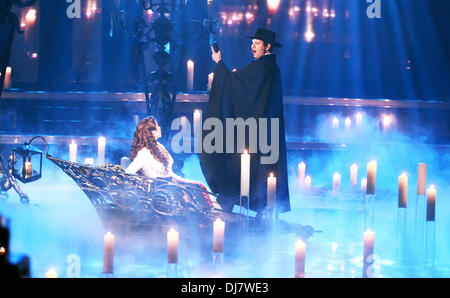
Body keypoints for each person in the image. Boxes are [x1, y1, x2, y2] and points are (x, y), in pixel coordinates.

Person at [199, 28, 290, 215]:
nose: (253, 47)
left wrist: (219, 64)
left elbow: (235, 83)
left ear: (268, 46)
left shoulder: (263, 66)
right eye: (252, 43)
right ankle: (260, 209)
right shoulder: (269, 66)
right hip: (262, 129)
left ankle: (237, 205)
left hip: (256, 130)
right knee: (255, 167)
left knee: (241, 163)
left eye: (257, 43)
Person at [125, 116, 221, 210]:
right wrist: (145, 183)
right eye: (157, 126)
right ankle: (211, 212)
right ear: (151, 131)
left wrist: (181, 179)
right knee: (196, 188)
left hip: (170, 183)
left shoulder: (159, 147)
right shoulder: (144, 152)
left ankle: (214, 211)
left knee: (198, 186)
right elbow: (129, 172)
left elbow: (169, 172)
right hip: (161, 189)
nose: (160, 128)